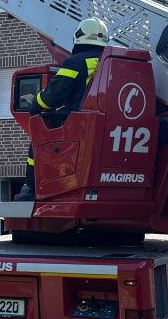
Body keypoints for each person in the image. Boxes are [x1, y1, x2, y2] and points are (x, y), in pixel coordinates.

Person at [14, 18, 109, 201]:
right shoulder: (113, 62)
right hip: (107, 127)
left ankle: (32, 187)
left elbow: (51, 97)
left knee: (38, 139)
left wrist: (35, 102)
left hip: (76, 125)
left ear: (79, 36)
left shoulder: (76, 62)